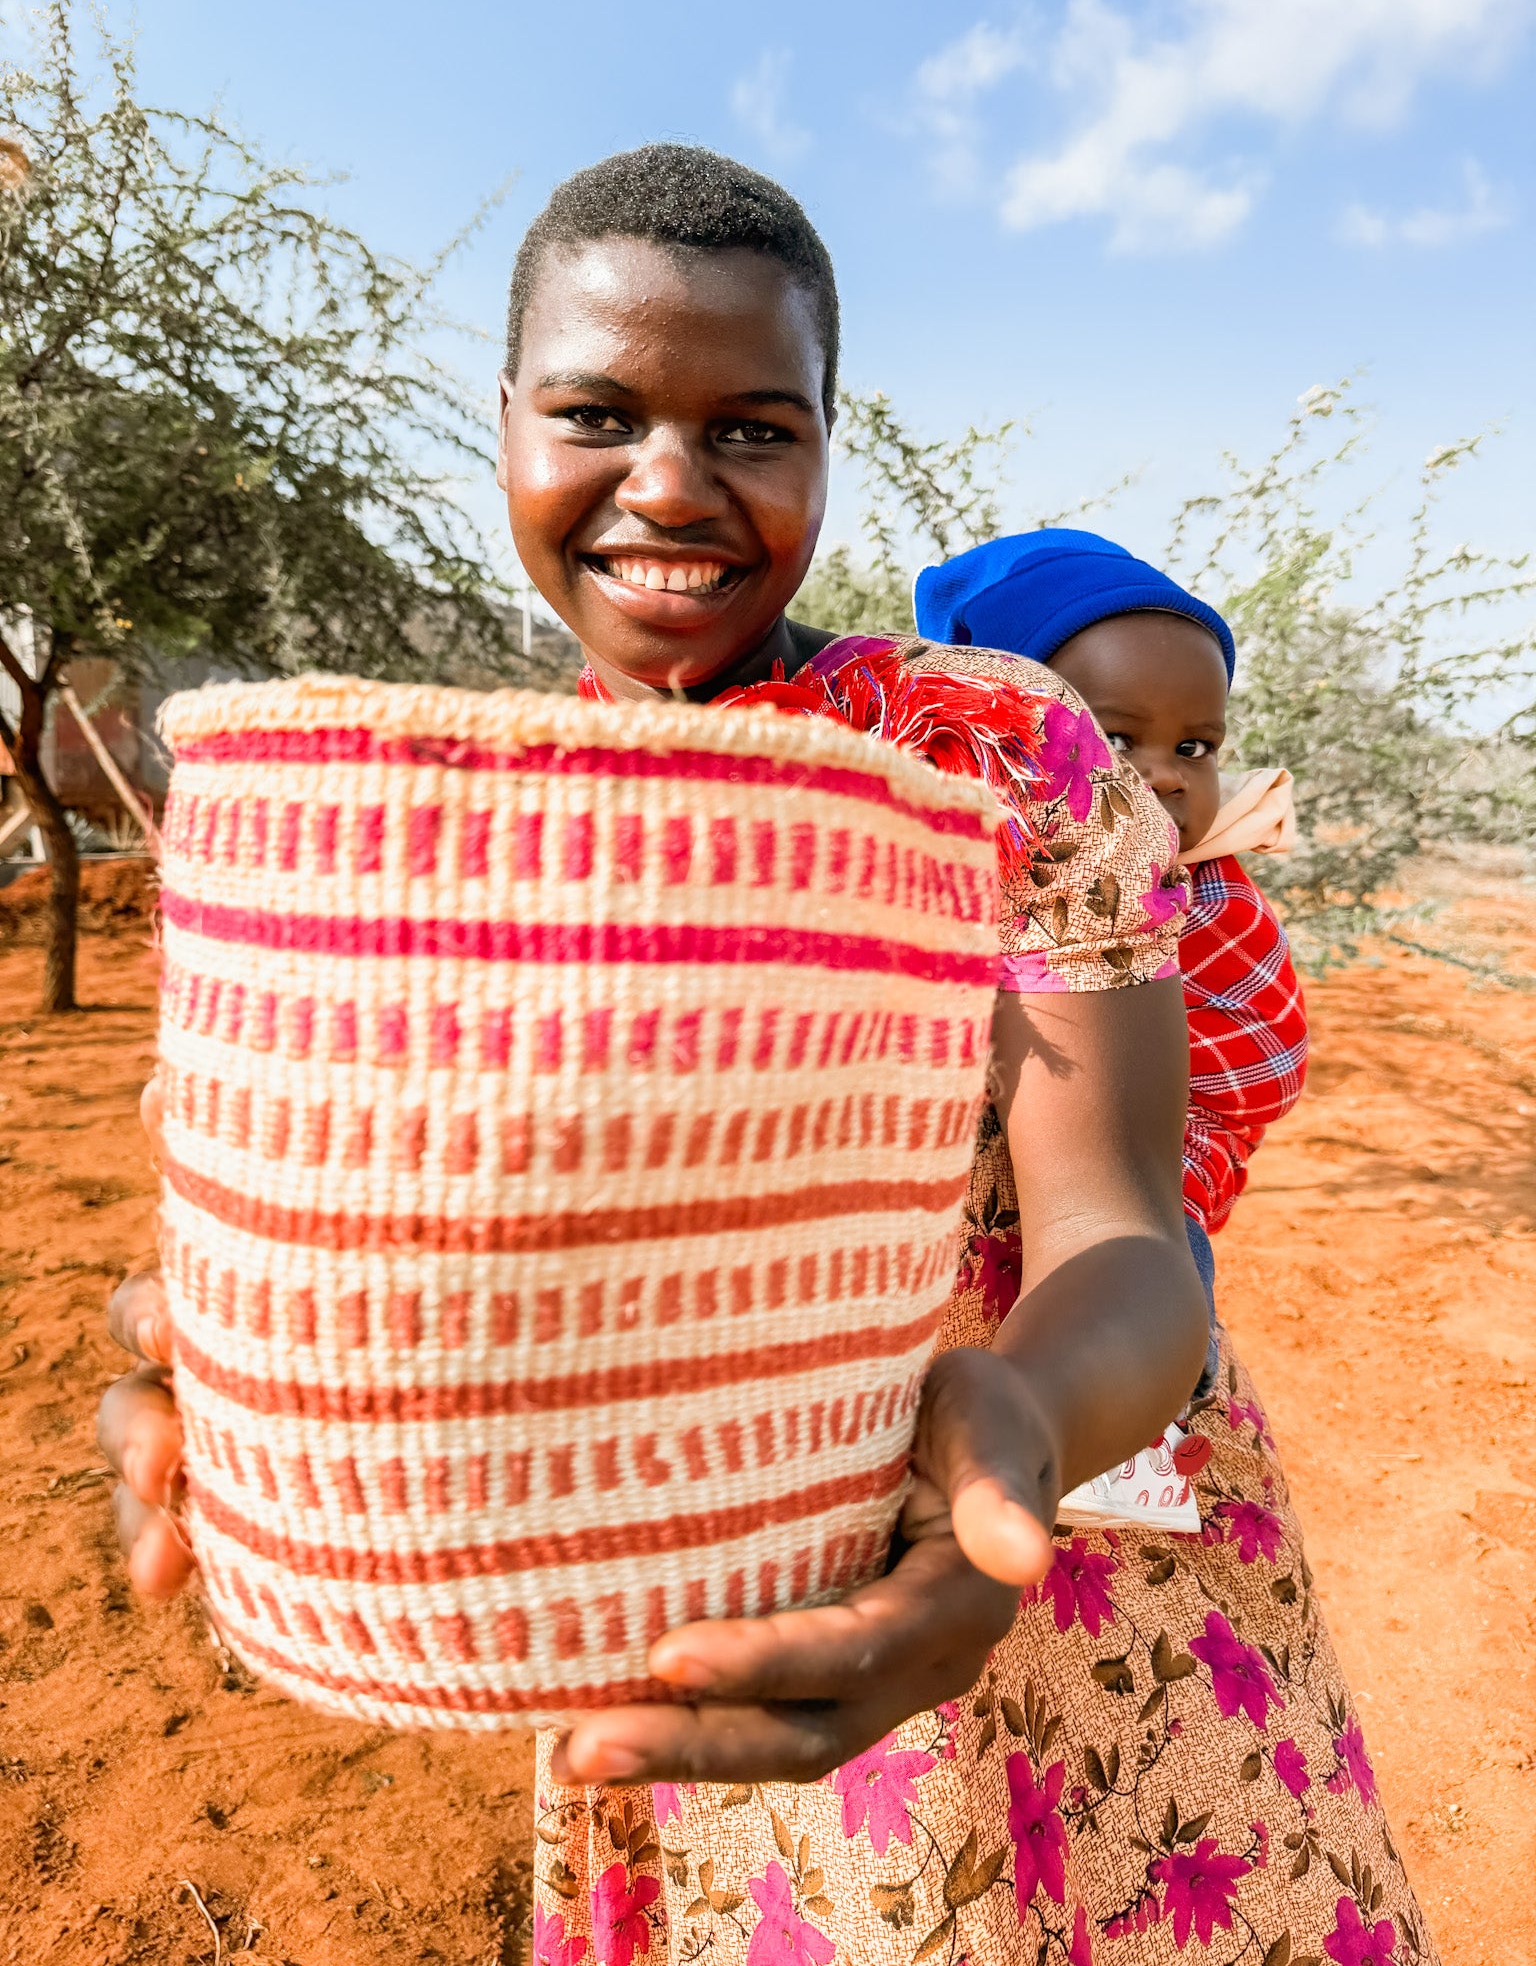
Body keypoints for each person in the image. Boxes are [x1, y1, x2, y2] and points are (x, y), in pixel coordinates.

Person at [97, 147, 1436, 1965]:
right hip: (672, 1594)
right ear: (502, 423)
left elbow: (1121, 1230)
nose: (669, 484)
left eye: (752, 427)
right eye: (594, 411)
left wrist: (1021, 1425)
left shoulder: (991, 753)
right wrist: (286, 1347)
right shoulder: (485, 813)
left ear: (823, 440)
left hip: (1063, 1558)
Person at [914, 531, 1310, 1410]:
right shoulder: (984, 855)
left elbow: (1240, 1059)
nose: (1163, 778)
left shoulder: (1177, 885)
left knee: (1143, 1246)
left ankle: (1147, 1406)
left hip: (1176, 1127)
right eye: (1116, 738)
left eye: (1195, 748)